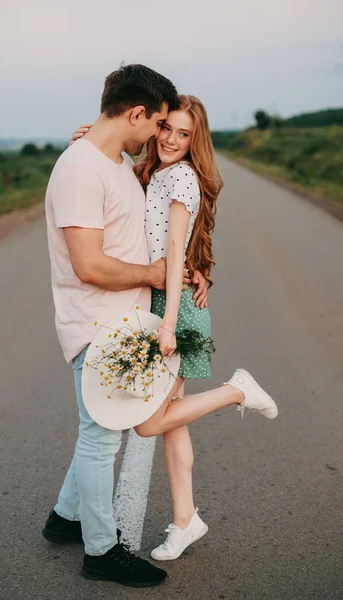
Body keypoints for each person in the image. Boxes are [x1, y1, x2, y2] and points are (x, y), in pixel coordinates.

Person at [71, 94, 278, 562]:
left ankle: (235, 391)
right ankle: (186, 520)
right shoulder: (153, 172)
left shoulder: (181, 176)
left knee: (148, 423)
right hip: (162, 299)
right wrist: (92, 142)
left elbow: (176, 254)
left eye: (184, 134)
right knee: (171, 425)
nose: (170, 139)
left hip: (173, 310)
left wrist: (167, 325)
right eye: (167, 128)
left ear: (194, 142)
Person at [43, 64, 209, 588]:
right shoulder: (81, 169)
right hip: (96, 327)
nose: (158, 136)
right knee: (100, 440)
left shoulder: (111, 160)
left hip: (122, 322)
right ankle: (101, 550)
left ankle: (65, 519)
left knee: (100, 427)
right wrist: (155, 273)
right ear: (136, 113)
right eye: (157, 123)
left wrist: (188, 267)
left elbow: (155, 225)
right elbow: (89, 265)